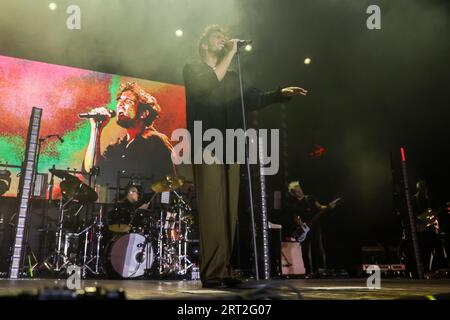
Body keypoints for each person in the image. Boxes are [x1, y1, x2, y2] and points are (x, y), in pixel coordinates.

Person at [182, 25, 308, 288]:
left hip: (232, 148)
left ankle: (223, 269)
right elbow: (206, 87)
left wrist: (279, 94)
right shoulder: (192, 70)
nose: (225, 41)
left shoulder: (232, 77)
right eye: (219, 38)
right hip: (207, 145)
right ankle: (212, 273)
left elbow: (254, 98)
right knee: (212, 211)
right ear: (205, 45)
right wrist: (230, 51)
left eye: (226, 39)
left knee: (229, 210)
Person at [83, 81, 175, 198]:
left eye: (127, 101)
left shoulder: (155, 141)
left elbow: (168, 183)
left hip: (144, 213)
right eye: (119, 100)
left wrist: (148, 206)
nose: (120, 105)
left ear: (144, 113)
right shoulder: (117, 147)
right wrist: (96, 128)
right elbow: (93, 171)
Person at [284, 181, 336, 277]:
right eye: (296, 191)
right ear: (293, 193)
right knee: (305, 250)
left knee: (318, 248)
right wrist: (300, 223)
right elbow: (296, 217)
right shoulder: (295, 205)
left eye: (299, 189)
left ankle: (321, 269)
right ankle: (308, 271)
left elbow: (320, 207)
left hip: (315, 227)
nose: (299, 192)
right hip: (304, 229)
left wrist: (329, 207)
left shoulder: (311, 198)